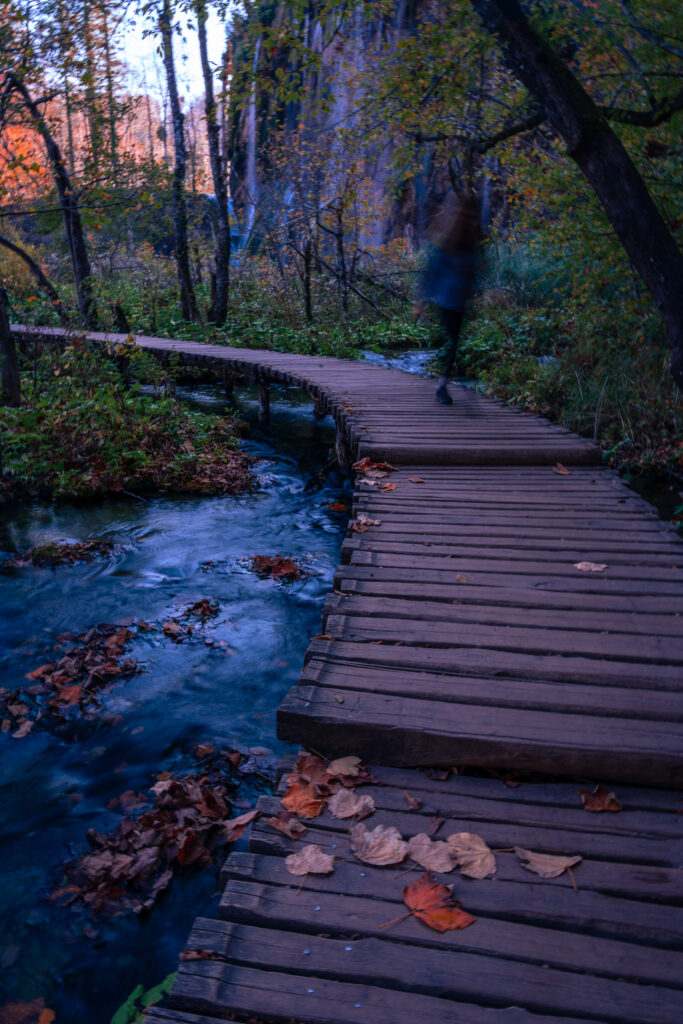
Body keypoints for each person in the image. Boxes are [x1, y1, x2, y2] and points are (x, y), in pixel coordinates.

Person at [419, 191, 482, 404]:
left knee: (455, 343)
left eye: (474, 217)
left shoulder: (472, 243)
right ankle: (441, 388)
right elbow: (432, 270)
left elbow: (474, 272)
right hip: (447, 301)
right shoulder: (450, 242)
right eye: (469, 217)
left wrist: (479, 290)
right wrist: (422, 300)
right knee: (453, 343)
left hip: (460, 301)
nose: (472, 221)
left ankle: (442, 386)